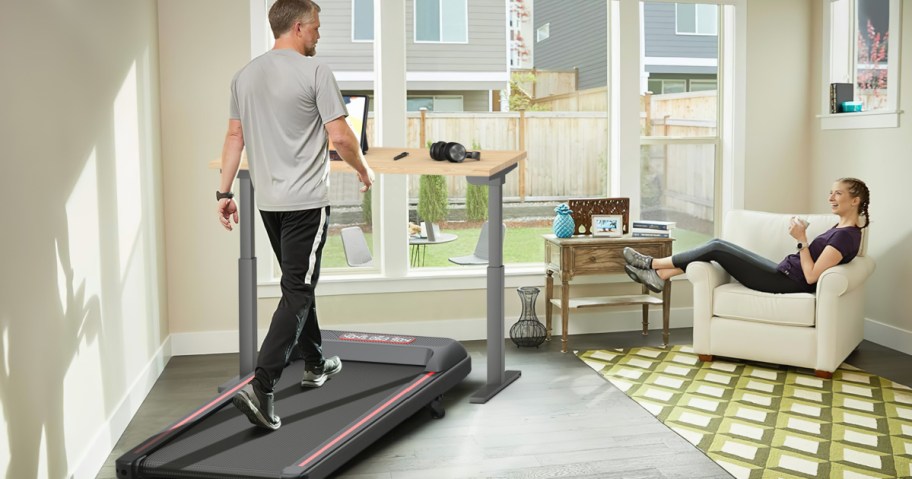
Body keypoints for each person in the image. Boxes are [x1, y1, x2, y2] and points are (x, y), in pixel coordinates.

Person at [216, 0, 374, 431]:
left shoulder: (243, 75)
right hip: (305, 202)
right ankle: (263, 386)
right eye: (317, 28)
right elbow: (340, 136)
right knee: (298, 289)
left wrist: (223, 192)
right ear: (300, 27)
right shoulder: (316, 72)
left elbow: (234, 136)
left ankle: (315, 363)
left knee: (299, 284)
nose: (319, 35)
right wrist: (364, 170)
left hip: (268, 203)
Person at [623, 178, 870, 295]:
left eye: (838, 194)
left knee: (717, 247)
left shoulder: (846, 237)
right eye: (831, 193)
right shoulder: (841, 230)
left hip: (785, 282)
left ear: (855, 200)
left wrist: (801, 240)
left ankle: (651, 264)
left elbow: (812, 276)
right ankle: (662, 275)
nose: (831, 198)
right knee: (718, 246)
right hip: (782, 271)